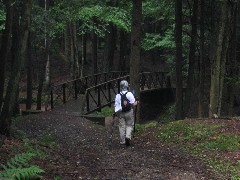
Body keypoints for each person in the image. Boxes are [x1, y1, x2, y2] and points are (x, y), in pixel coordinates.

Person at [114, 80, 138, 146]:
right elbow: (133, 104)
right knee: (129, 125)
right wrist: (136, 103)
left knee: (121, 127)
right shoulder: (129, 94)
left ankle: (122, 141)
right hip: (129, 112)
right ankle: (127, 136)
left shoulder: (118, 95)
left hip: (120, 113)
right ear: (127, 86)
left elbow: (116, 105)